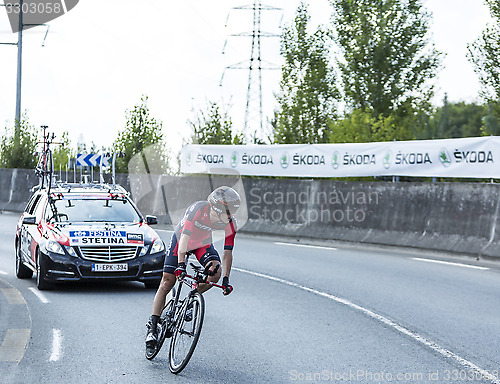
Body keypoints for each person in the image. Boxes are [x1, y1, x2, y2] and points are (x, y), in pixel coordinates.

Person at [145, 185, 240, 354]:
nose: (230, 218)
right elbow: (184, 239)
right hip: (181, 240)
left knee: (214, 273)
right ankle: (152, 327)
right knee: (168, 281)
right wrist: (181, 265)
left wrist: (226, 279)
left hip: (202, 244)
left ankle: (187, 301)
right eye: (228, 213)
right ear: (216, 209)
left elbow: (227, 253)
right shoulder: (198, 209)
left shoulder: (230, 223)